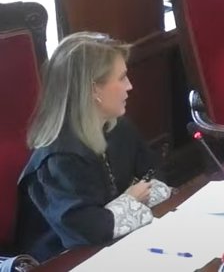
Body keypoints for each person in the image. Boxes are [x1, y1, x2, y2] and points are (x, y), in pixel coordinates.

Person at [17, 32, 172, 261]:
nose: (129, 86)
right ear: (93, 89)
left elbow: (157, 177)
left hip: (124, 244)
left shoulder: (117, 126)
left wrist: (125, 206)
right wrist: (130, 200)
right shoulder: (59, 157)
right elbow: (87, 232)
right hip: (66, 259)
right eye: (122, 78)